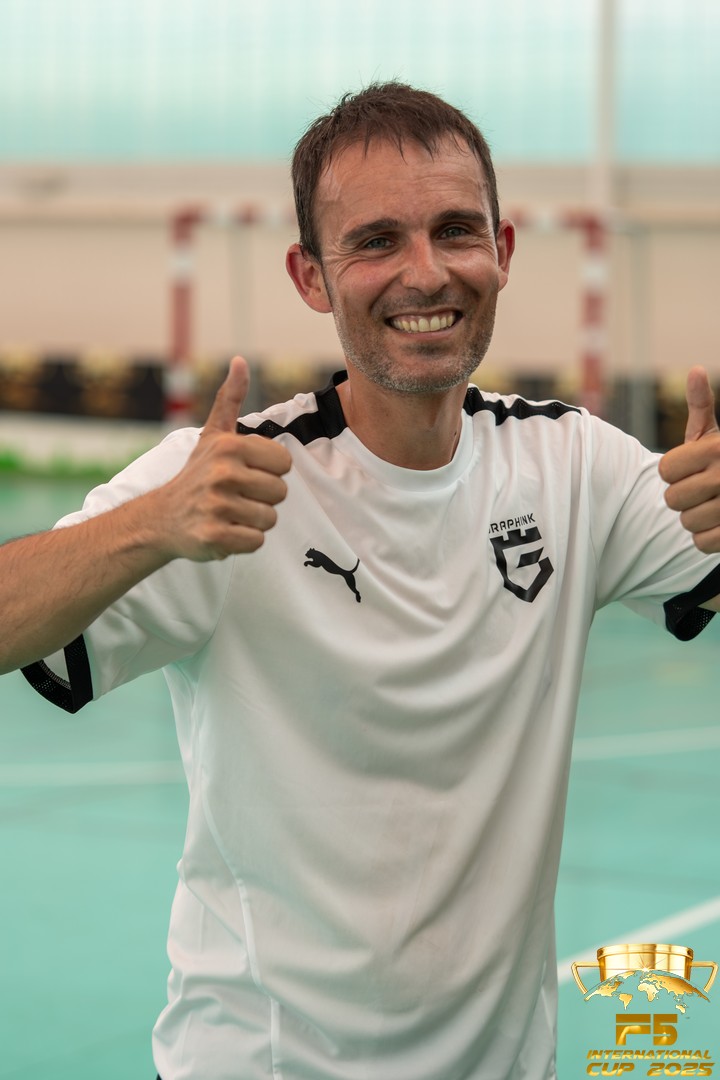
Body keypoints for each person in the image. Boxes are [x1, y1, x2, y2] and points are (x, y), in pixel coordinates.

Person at [1, 82, 720, 1080]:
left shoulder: (574, 465)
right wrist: (149, 527)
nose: (427, 272)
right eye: (377, 241)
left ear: (503, 250)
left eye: (456, 230)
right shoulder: (230, 476)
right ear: (311, 276)